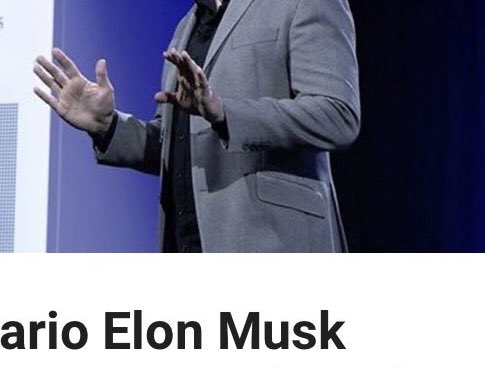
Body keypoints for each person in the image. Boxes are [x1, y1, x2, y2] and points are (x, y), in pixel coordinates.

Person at [33, 0, 360, 252]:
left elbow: (338, 115)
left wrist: (224, 113)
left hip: (274, 244)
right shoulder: (187, 26)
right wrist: (108, 125)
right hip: (187, 243)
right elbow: (177, 145)